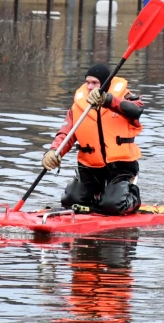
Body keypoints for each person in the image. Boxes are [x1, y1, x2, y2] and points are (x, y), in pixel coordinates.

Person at [42, 63, 144, 215]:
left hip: (120, 167)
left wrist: (108, 100)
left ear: (105, 84)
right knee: (70, 201)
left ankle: (132, 198)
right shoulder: (78, 107)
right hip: (90, 166)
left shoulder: (126, 99)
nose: (90, 87)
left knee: (113, 205)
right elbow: (65, 134)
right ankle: (98, 198)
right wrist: (53, 152)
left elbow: (137, 110)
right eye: (87, 82)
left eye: (95, 83)